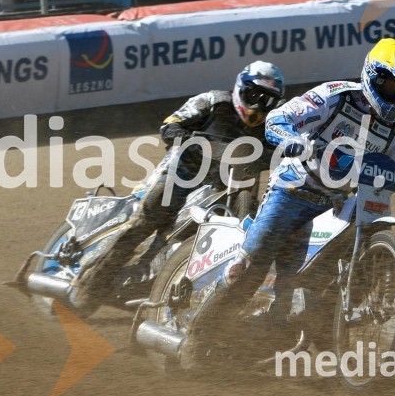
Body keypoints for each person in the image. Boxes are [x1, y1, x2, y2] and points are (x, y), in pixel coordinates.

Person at [201, 38, 395, 344]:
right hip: (292, 191)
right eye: (394, 88)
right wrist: (291, 138)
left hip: (337, 204)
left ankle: (297, 325)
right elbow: (278, 119)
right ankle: (200, 335)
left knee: (323, 283)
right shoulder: (335, 95)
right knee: (251, 263)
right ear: (374, 76)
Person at [87, 61, 287, 302]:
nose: (258, 104)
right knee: (148, 219)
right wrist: (181, 135)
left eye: (267, 100)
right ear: (240, 88)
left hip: (233, 189)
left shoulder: (273, 126)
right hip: (183, 174)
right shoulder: (213, 101)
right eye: (254, 95)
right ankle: (90, 284)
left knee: (250, 232)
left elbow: (286, 149)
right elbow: (171, 123)